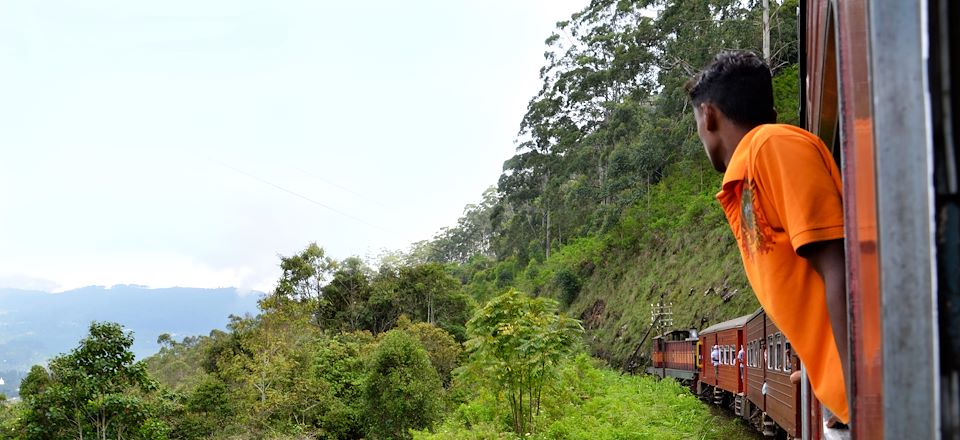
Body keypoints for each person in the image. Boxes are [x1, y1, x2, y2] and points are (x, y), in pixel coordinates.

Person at [685, 51, 850, 425]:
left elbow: (837, 266)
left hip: (868, 399)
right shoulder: (747, 177)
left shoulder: (771, 147)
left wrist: (860, 394)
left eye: (697, 123)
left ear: (708, 115)